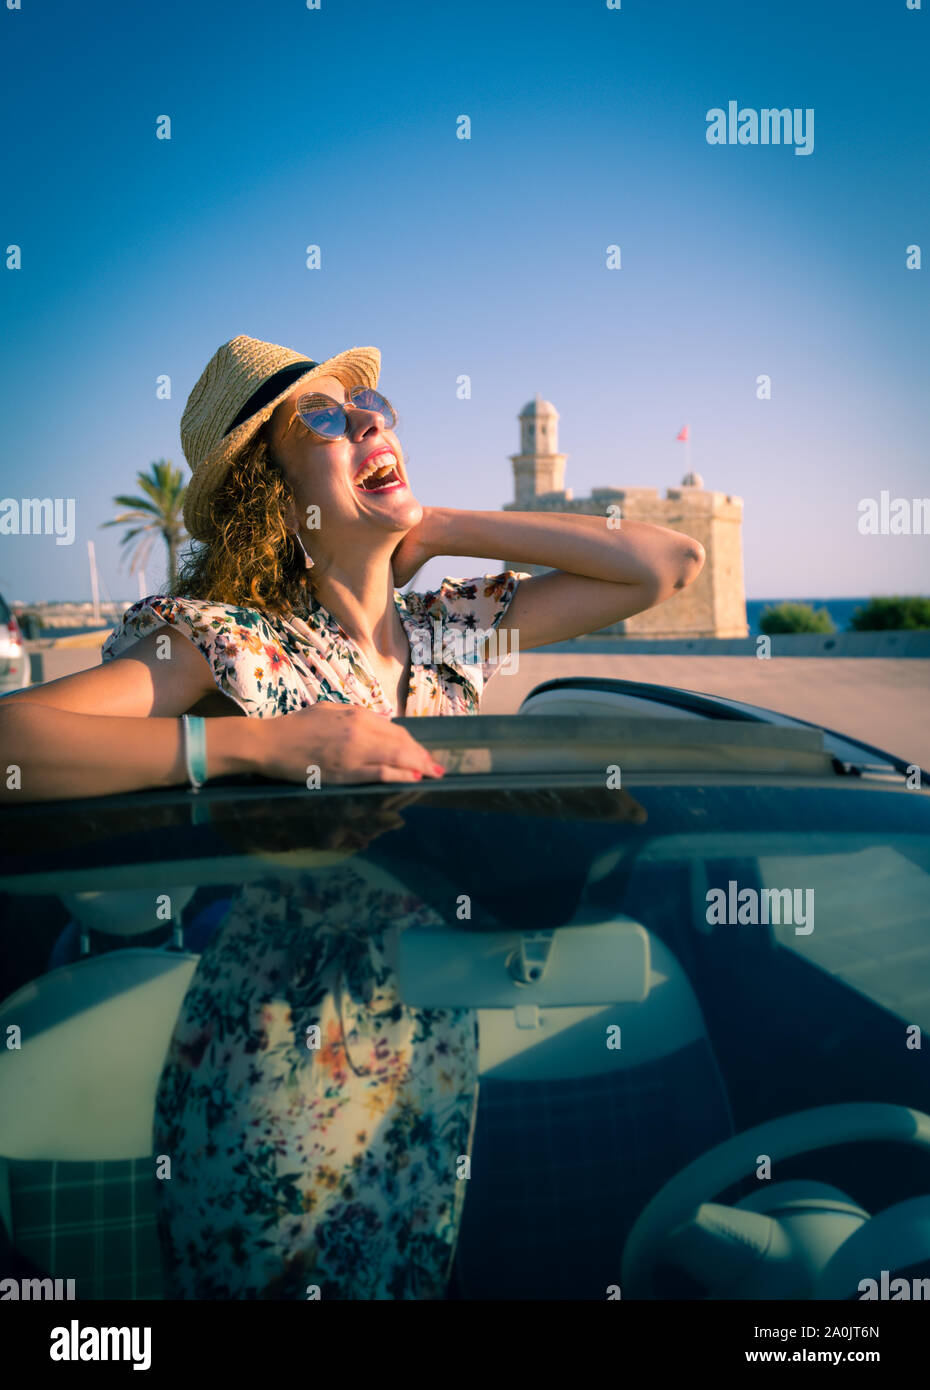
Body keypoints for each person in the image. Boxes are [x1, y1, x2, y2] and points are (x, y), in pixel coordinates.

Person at [0, 333, 706, 1297]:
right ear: (274, 494)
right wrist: (258, 746)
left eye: (374, 409)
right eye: (324, 419)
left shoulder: (446, 633)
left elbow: (667, 565)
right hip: (274, 1068)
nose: (369, 419)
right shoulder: (228, 643)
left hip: (427, 1057)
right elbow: (13, 742)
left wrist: (442, 523)